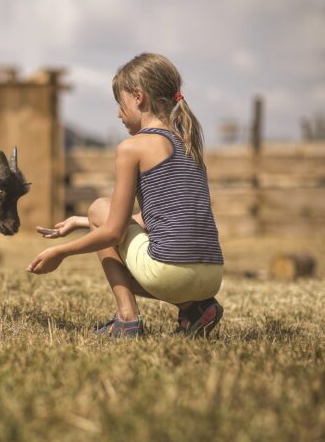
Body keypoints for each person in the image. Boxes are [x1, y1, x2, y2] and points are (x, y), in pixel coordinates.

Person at [27, 52, 224, 338]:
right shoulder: (189, 145)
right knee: (97, 217)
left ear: (138, 97)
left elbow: (112, 232)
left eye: (120, 104)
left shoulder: (133, 148)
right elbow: (157, 215)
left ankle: (127, 320)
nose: (118, 113)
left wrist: (60, 252)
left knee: (99, 208)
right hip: (212, 277)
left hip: (171, 274)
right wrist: (82, 222)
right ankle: (194, 308)